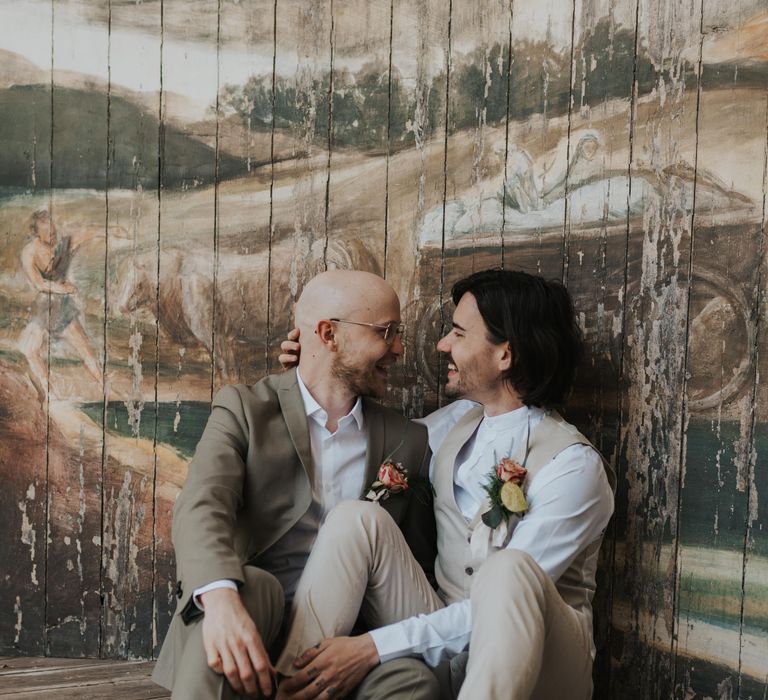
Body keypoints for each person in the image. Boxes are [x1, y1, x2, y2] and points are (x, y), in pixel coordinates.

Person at [275, 269, 616, 700]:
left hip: (541, 666)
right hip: (445, 641)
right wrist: (316, 372)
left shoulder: (573, 466)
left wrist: (371, 648)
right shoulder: (452, 424)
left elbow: (501, 611)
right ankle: (290, 686)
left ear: (505, 355)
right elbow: (354, 434)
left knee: (508, 571)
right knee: (354, 520)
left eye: (457, 333)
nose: (442, 345)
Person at [151, 270, 438, 700]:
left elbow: (410, 563)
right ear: (328, 334)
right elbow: (201, 505)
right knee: (251, 589)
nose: (398, 348)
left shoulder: (408, 441)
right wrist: (221, 601)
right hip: (252, 614)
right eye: (387, 332)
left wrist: (365, 648)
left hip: (334, 650)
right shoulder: (245, 409)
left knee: (415, 684)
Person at [19, 209, 106, 396]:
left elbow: (86, 232)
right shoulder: (29, 252)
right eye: (48, 232)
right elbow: (39, 283)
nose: (53, 235)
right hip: (44, 308)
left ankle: (104, 387)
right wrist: (64, 288)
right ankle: (48, 391)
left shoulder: (63, 244)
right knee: (30, 350)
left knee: (85, 349)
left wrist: (111, 229)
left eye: (54, 230)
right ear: (37, 233)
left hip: (62, 308)